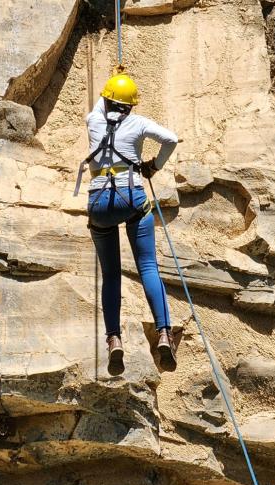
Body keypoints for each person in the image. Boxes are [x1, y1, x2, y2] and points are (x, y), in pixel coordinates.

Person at [83, 70, 179, 374]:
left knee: (111, 275)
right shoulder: (138, 123)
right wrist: (153, 165)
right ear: (131, 106)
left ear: (108, 100)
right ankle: (164, 333)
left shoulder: (93, 120)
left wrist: (114, 79)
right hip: (131, 197)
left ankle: (114, 340)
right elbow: (171, 139)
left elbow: (103, 102)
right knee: (148, 266)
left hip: (99, 203)